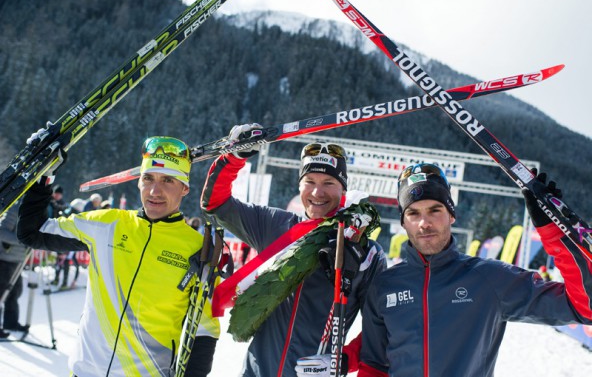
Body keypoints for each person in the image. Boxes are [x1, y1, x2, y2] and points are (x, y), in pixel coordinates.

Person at [355, 164, 592, 377]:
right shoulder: (384, 286)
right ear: (403, 222)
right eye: (413, 213)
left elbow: (584, 308)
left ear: (451, 215)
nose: (424, 223)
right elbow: (373, 366)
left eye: (435, 210)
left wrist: (554, 230)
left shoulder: (489, 278)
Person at [17, 136, 219, 377]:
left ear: (185, 188)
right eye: (148, 178)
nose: (155, 191)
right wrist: (43, 176)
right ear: (138, 183)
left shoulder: (199, 248)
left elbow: (205, 330)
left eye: (168, 180)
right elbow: (32, 232)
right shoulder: (107, 224)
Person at [200, 124, 387, 377]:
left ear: (343, 189)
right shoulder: (275, 225)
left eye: (328, 182)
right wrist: (234, 157)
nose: (317, 192)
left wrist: (343, 360)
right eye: (309, 181)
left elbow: (381, 327)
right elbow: (216, 203)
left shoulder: (365, 251)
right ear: (300, 185)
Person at [0, 201, 30, 338]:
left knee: (14, 293)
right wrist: (23, 240)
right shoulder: (16, 209)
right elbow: (2, 232)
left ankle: (11, 323)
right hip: (6, 259)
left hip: (18, 260)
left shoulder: (29, 209)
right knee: (2, 293)